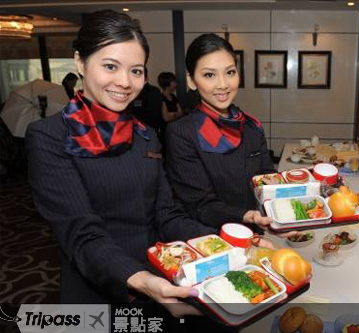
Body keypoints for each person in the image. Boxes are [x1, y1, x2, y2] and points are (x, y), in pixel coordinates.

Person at [26, 10, 217, 314]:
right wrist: (140, 280)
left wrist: (225, 241)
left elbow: (166, 215)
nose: (125, 82)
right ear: (80, 62)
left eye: (136, 71)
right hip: (98, 291)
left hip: (160, 281)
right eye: (110, 66)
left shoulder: (145, 135)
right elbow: (82, 233)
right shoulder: (48, 136)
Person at [165, 34, 286, 235]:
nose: (223, 84)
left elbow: (266, 179)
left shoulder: (251, 127)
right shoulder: (182, 133)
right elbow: (199, 204)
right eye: (209, 75)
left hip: (256, 234)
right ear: (191, 81)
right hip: (213, 242)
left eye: (230, 72)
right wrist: (246, 215)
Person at [130, 68, 165, 139]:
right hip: (133, 133)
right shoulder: (131, 91)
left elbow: (153, 114)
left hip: (148, 133)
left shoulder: (152, 91)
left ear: (145, 77)